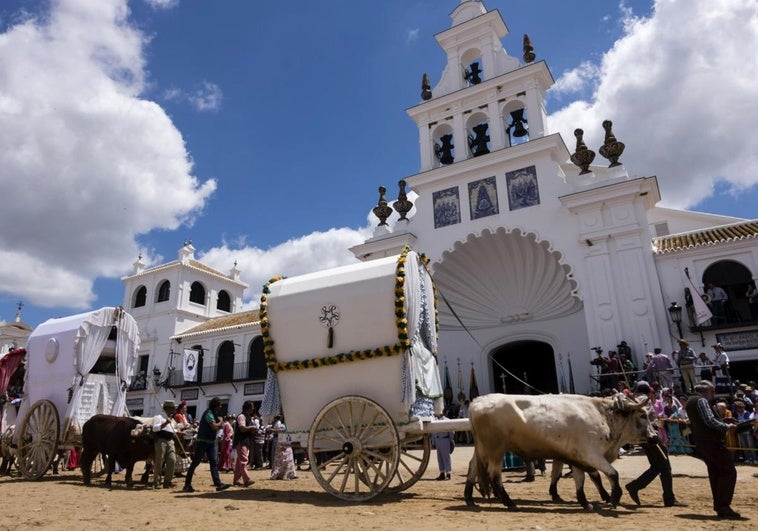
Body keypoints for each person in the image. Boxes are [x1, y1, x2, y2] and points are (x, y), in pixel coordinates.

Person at [684, 380, 741, 519]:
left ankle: (720, 506)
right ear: (705, 390)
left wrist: (723, 422)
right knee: (728, 471)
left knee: (715, 472)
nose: (713, 394)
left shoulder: (690, 401)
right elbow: (709, 420)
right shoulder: (702, 400)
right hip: (712, 441)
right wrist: (727, 427)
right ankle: (723, 506)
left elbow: (703, 420)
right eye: (712, 391)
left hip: (702, 442)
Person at [625, 381, 685, 508]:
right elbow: (644, 414)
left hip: (645, 437)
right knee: (665, 468)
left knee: (657, 467)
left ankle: (634, 486)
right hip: (652, 436)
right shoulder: (643, 399)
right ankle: (669, 499)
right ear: (648, 390)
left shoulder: (636, 399)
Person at [183, 397, 230, 493]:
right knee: (195, 462)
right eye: (220, 405)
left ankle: (218, 484)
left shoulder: (213, 414)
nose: (221, 407)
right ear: (216, 405)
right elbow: (214, 426)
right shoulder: (209, 413)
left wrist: (219, 423)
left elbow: (218, 426)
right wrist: (220, 421)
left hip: (210, 442)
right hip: (203, 441)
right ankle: (187, 485)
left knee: (213, 463)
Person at [152, 400, 178, 489]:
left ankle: (167, 481)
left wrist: (178, 432)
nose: (174, 410)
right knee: (159, 461)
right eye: (173, 408)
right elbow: (155, 429)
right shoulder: (158, 417)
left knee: (172, 460)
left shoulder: (172, 420)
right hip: (161, 441)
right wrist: (165, 423)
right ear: (168, 409)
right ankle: (156, 482)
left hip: (170, 441)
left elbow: (174, 429)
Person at [232, 401, 255, 487]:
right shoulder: (242, 416)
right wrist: (252, 427)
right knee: (243, 461)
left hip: (245, 441)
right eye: (252, 406)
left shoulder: (247, 417)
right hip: (242, 441)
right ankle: (246, 479)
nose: (253, 408)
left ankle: (237, 480)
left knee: (239, 462)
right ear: (248, 407)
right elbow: (242, 428)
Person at [430, 413, 454, 480]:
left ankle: (448, 473)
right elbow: (433, 432)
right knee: (439, 457)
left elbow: (451, 431)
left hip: (444, 439)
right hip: (438, 440)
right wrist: (434, 442)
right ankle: (442, 473)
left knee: (446, 457)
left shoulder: (447, 420)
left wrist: (450, 440)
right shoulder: (435, 420)